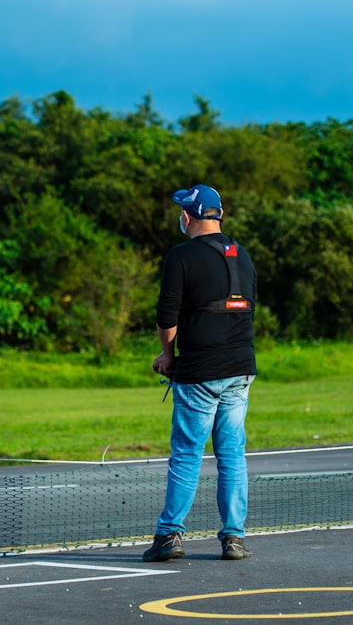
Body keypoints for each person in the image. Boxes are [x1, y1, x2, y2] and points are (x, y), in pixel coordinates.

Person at [143, 184, 257, 562]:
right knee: (231, 455)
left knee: (188, 454)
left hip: (199, 372)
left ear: (188, 217)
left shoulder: (181, 256)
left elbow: (166, 315)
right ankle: (234, 538)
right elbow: (246, 309)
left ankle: (169, 535)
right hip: (241, 369)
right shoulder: (242, 255)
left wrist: (167, 356)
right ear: (219, 215)